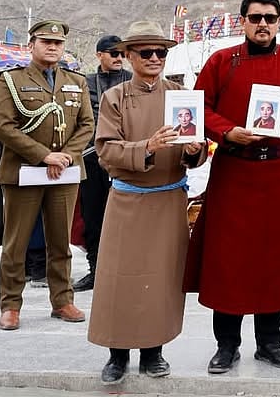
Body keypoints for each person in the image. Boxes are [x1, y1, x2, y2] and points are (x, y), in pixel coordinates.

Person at [184, 0, 280, 373]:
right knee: (229, 260)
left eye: (270, 18)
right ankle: (226, 345)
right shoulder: (222, 61)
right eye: (256, 17)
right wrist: (227, 133)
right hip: (235, 171)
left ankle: (269, 342)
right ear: (242, 21)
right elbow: (199, 108)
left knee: (275, 260)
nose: (263, 24)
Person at [88, 21, 206, 384]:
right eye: (146, 52)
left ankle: (154, 352)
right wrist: (147, 148)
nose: (155, 58)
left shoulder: (180, 93)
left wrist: (194, 151)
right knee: (118, 279)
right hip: (128, 200)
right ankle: (117, 355)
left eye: (161, 52)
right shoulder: (115, 98)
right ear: (128, 56)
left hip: (170, 200)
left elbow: (198, 151)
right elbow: (105, 150)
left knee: (162, 279)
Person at [0, 20, 94, 331]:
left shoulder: (76, 82)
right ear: (31, 45)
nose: (52, 47)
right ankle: (10, 304)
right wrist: (44, 155)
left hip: (63, 174)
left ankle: (62, 301)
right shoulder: (10, 81)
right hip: (24, 172)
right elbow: (3, 126)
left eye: (58, 43)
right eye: (45, 41)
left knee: (59, 241)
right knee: (16, 242)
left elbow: (86, 126)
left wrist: (65, 156)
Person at [74, 34, 131, 292]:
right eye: (113, 53)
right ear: (100, 55)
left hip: (126, 158)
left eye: (121, 53)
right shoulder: (85, 83)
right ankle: (95, 270)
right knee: (93, 217)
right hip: (91, 159)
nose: (119, 58)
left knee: (127, 218)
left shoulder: (132, 80)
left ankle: (126, 271)